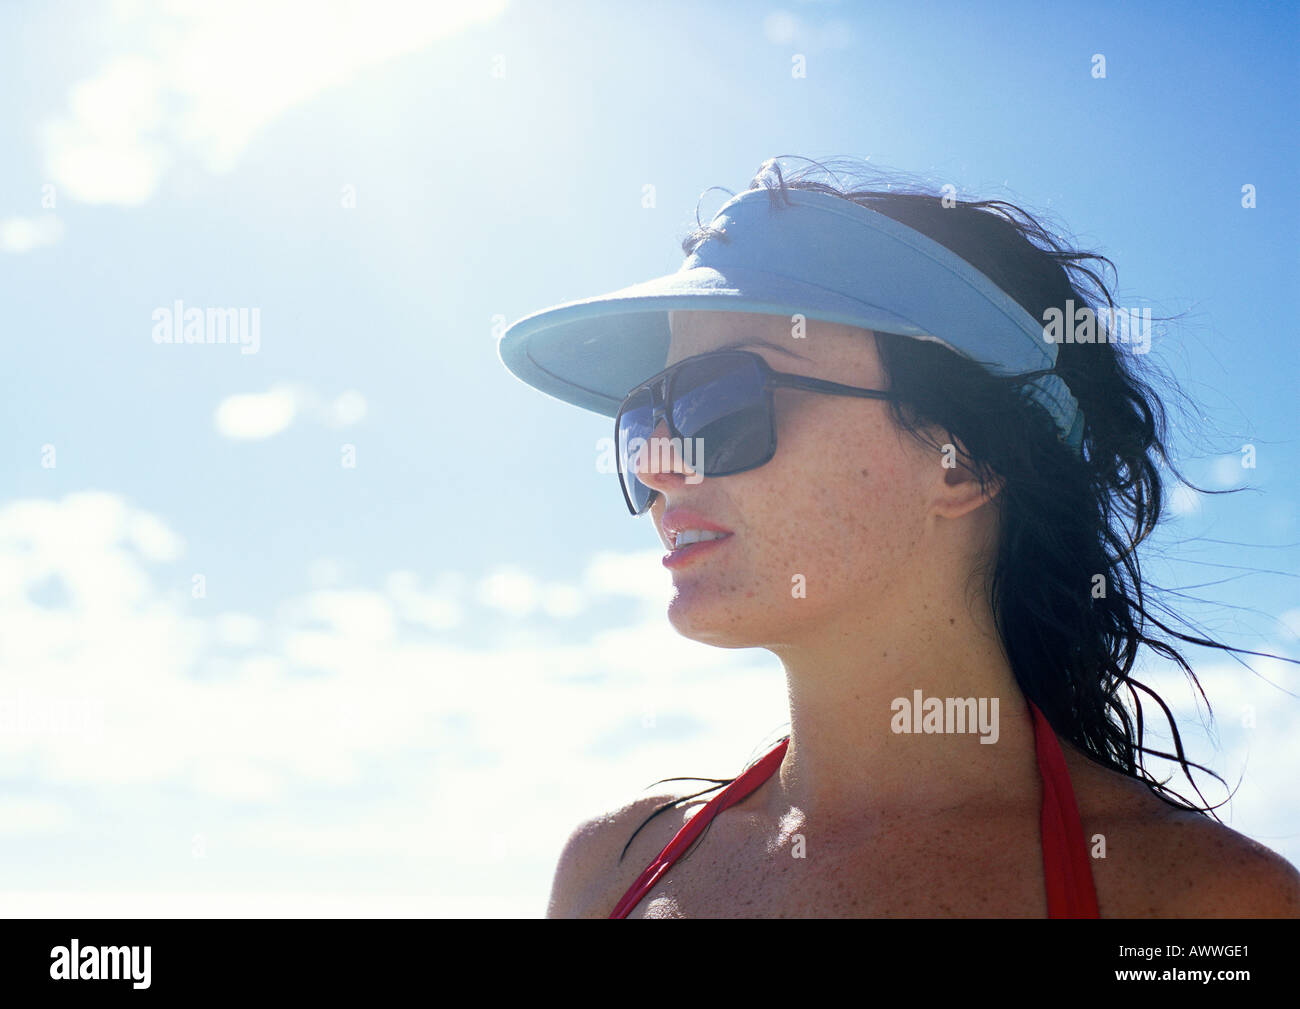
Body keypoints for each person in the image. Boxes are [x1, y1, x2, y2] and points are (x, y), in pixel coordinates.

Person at [498, 156, 1300, 918]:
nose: (662, 466)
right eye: (644, 421)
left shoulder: (1205, 905)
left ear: (964, 462)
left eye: (722, 403)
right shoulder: (607, 870)